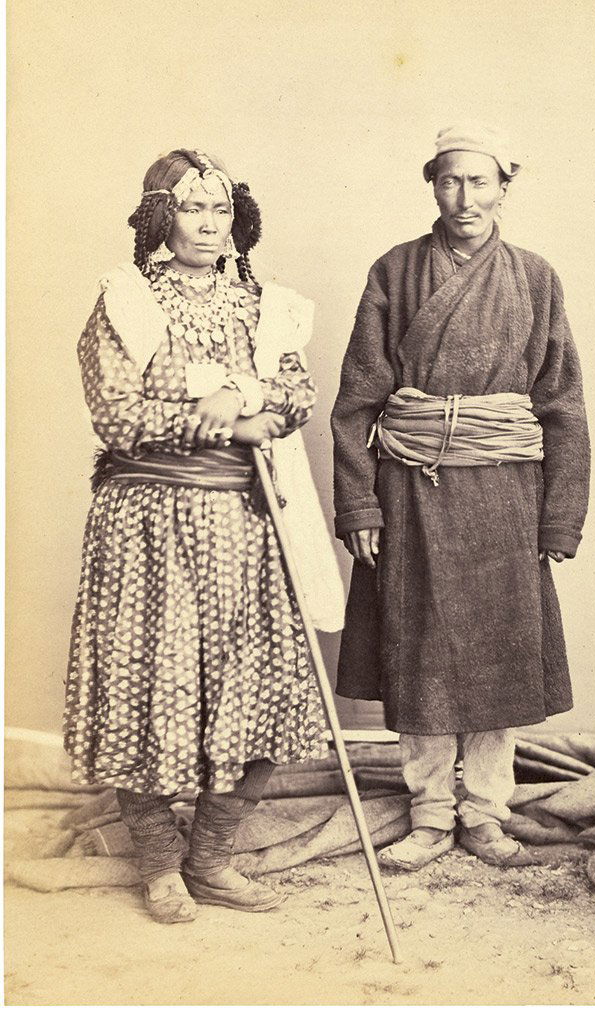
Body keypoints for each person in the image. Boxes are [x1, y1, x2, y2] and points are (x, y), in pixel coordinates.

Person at [66, 149, 345, 923]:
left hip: (247, 524)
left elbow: (296, 390)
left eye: (220, 209)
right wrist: (218, 413)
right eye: (192, 209)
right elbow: (118, 415)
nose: (208, 224)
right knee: (144, 691)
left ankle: (211, 858)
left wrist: (253, 402)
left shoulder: (265, 304)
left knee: (258, 693)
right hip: (145, 525)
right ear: (160, 217)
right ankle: (158, 866)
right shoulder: (125, 302)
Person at [331, 124, 590, 871]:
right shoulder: (395, 270)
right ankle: (429, 813)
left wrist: (560, 515)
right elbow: (355, 403)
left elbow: (563, 404)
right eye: (450, 181)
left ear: (504, 188)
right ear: (433, 186)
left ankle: (484, 811)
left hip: (507, 494)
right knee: (419, 656)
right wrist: (360, 506)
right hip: (412, 488)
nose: (464, 197)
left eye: (480, 183)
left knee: (499, 657)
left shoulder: (535, 278)